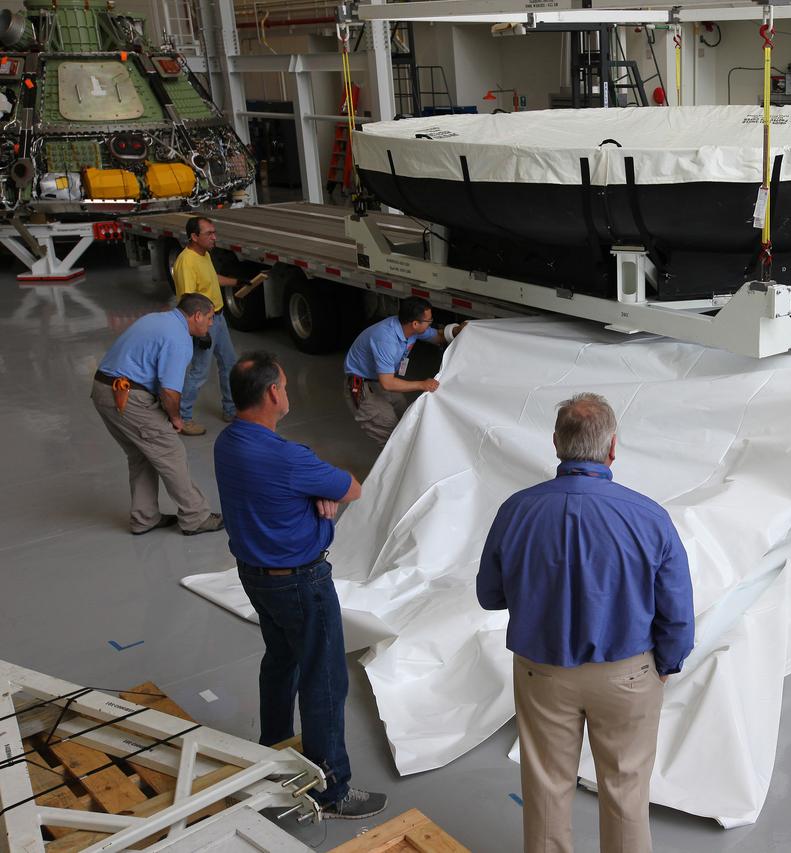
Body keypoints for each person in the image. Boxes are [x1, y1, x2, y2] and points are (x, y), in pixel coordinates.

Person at [477, 393, 695, 853]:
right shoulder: (650, 517)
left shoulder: (516, 510)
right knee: (626, 792)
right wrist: (665, 664)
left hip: (543, 671)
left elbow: (489, 595)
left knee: (547, 788)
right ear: (612, 447)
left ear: (556, 442)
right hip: (628, 675)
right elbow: (676, 611)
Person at [213, 351, 387, 821]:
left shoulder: (228, 443)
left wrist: (312, 493)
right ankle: (332, 791)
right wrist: (320, 493)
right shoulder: (287, 458)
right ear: (273, 393)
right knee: (324, 680)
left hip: (254, 577)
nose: (286, 392)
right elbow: (351, 487)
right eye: (285, 386)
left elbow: (291, 487)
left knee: (281, 661)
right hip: (300, 583)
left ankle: (272, 753)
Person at [91, 293, 224, 536]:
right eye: (209, 317)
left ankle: (145, 518)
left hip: (103, 391)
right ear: (196, 316)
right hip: (128, 397)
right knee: (171, 451)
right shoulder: (179, 340)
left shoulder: (158, 319)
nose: (211, 323)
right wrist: (175, 418)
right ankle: (196, 517)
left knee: (142, 455)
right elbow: (170, 391)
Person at [342, 296, 464, 446]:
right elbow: (387, 383)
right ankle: (393, 465)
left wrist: (457, 330)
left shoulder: (409, 327)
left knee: (403, 413)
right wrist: (422, 384)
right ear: (415, 323)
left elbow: (438, 337)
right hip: (362, 384)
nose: (430, 324)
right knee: (389, 432)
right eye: (429, 321)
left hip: (379, 379)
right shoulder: (385, 339)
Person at [172, 216, 247, 436]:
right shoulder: (186, 262)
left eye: (214, 232)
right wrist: (200, 332)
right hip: (203, 324)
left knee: (229, 364)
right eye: (209, 234)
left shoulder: (204, 255)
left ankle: (230, 409)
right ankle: (183, 418)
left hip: (218, 318)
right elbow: (187, 300)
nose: (214, 237)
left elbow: (212, 278)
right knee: (199, 372)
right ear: (194, 237)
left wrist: (237, 282)